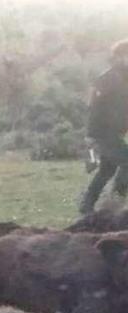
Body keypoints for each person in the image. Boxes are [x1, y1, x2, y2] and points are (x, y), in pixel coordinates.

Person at [79, 38, 128, 214]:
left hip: (113, 133)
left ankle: (86, 205)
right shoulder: (110, 77)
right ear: (120, 56)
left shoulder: (123, 78)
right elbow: (93, 102)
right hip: (103, 132)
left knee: (107, 170)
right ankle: (115, 204)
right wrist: (90, 135)